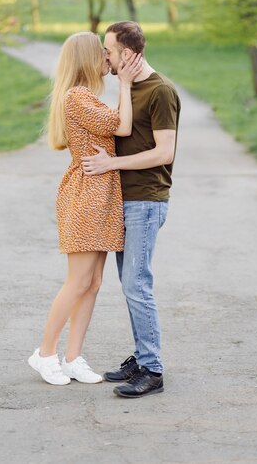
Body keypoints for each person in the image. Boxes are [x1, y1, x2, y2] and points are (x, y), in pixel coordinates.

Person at [28, 31, 142, 386]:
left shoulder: (87, 97)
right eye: (103, 55)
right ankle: (45, 353)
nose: (108, 60)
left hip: (102, 192)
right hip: (86, 194)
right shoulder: (77, 97)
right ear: (87, 59)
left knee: (93, 283)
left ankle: (74, 357)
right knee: (78, 281)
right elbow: (122, 126)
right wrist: (125, 83)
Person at [82, 21, 181, 398]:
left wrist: (111, 165)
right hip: (126, 200)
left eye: (108, 50)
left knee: (137, 285)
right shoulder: (130, 88)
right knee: (130, 285)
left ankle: (152, 370)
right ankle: (142, 358)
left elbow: (164, 152)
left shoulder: (160, 91)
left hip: (146, 200)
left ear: (127, 54)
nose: (103, 57)